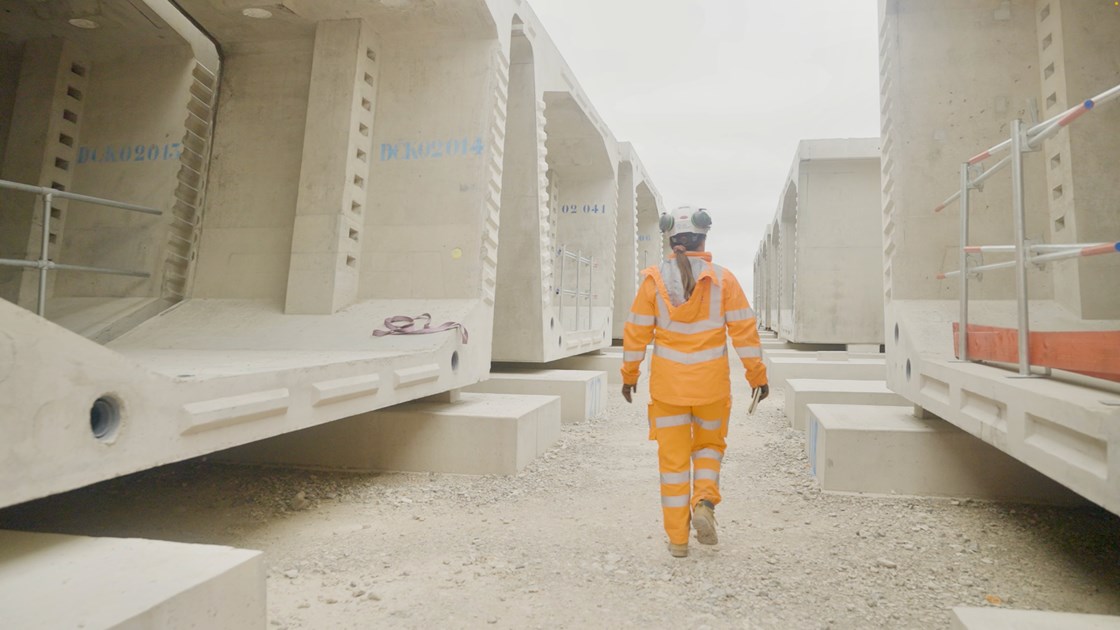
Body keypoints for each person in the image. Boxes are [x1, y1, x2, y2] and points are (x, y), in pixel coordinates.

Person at [620, 205, 769, 558]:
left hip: (669, 391)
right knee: (709, 447)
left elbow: (635, 334)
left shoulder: (652, 282)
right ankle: (703, 501)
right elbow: (745, 332)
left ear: (671, 239)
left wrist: (629, 376)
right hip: (711, 389)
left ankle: (677, 541)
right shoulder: (724, 279)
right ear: (704, 237)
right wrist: (757, 376)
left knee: (672, 464)